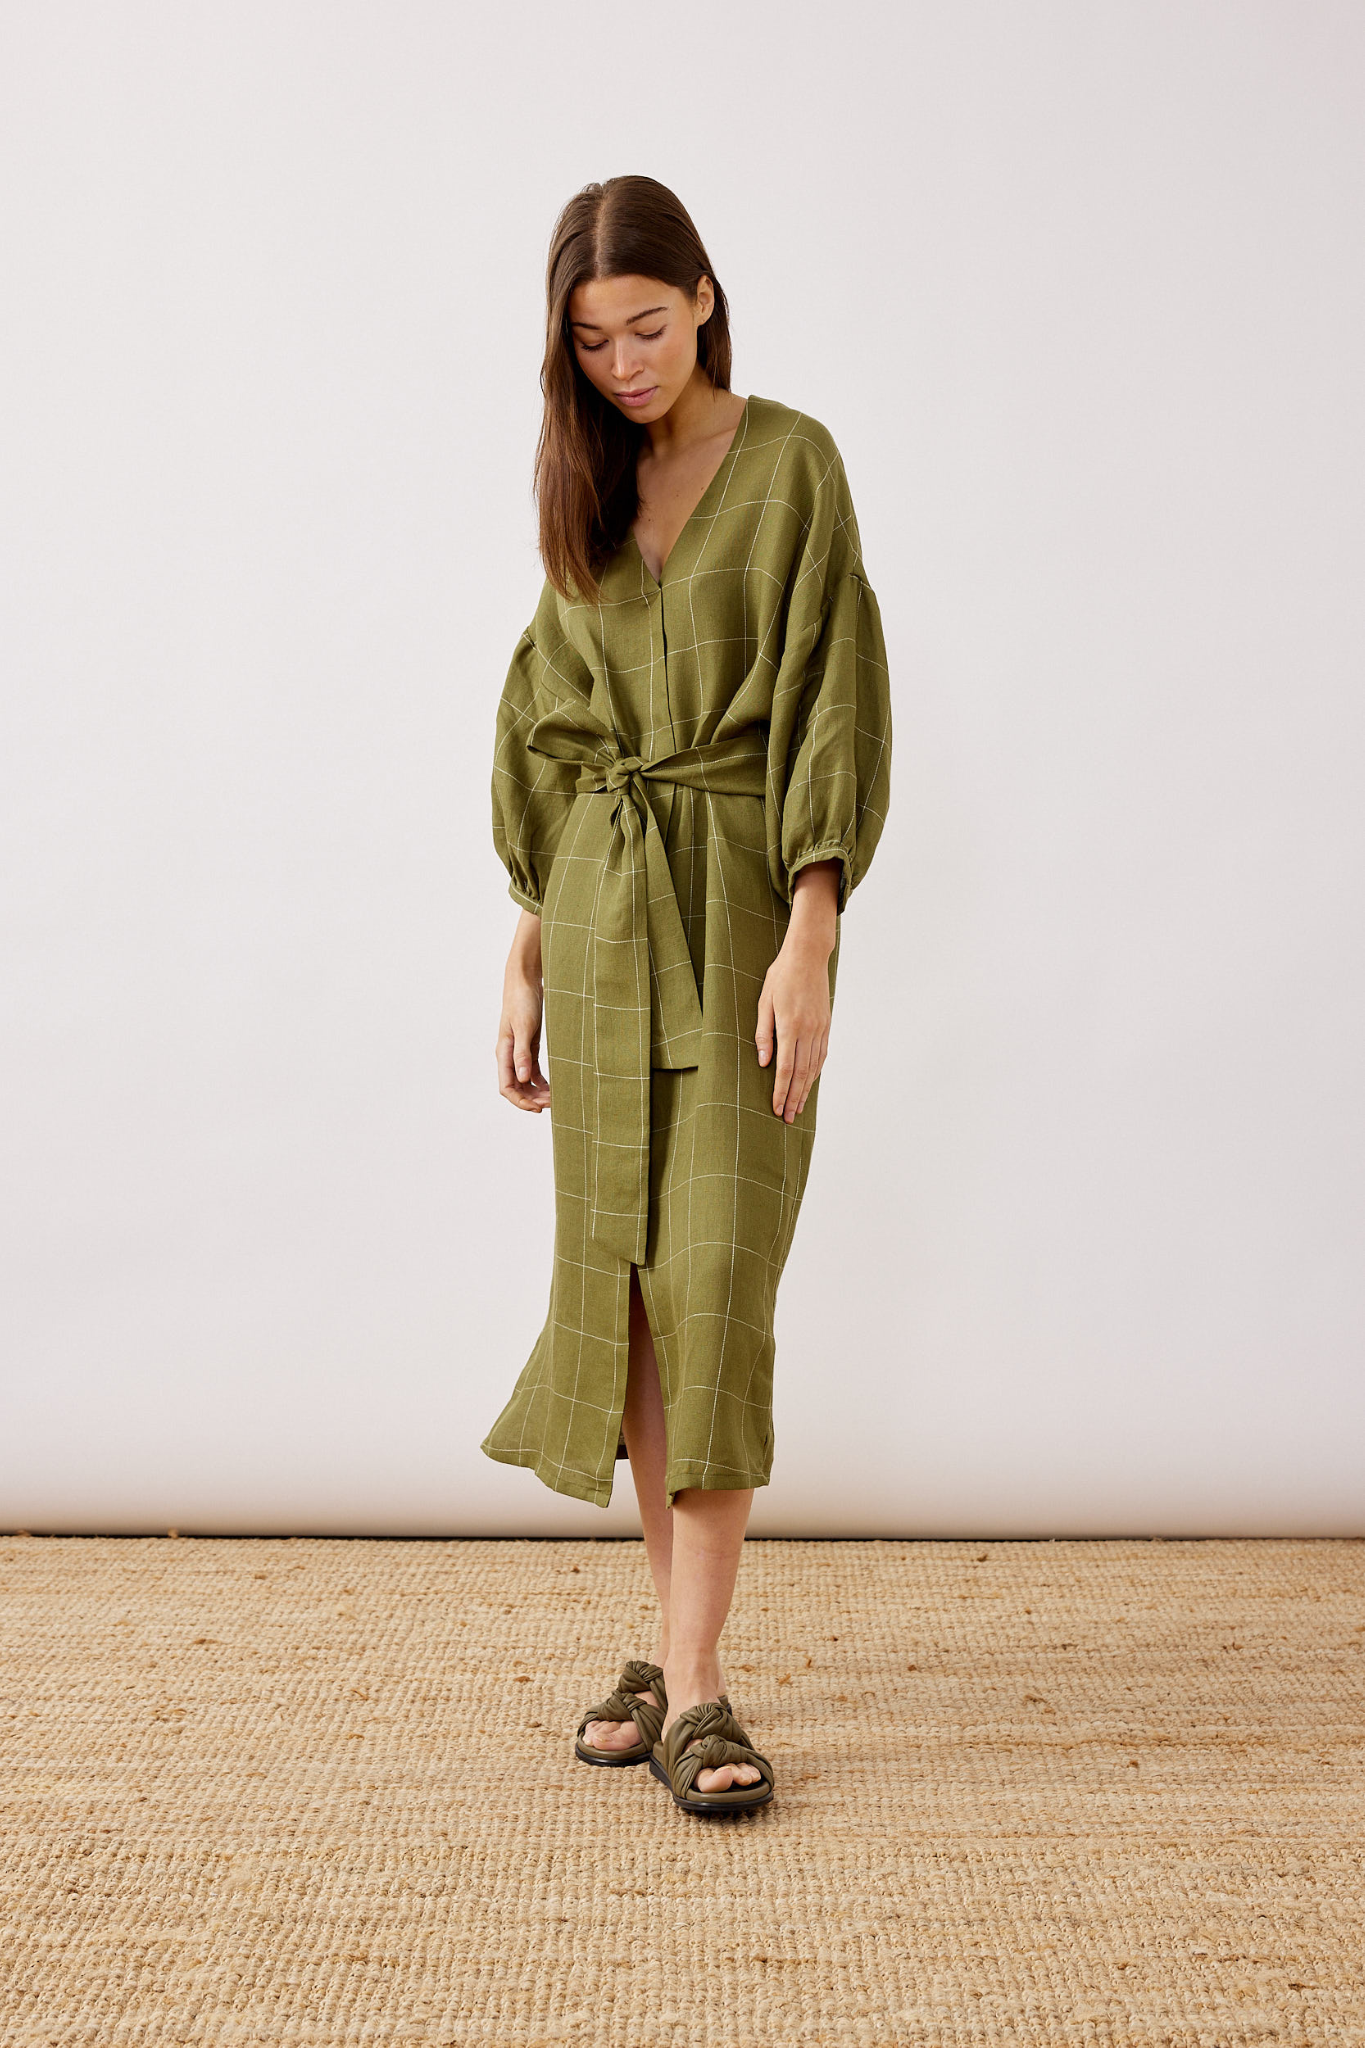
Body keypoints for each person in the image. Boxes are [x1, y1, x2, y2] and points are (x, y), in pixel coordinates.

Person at [483, 175, 892, 1817]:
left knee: (717, 1280)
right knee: (639, 1299)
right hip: (597, 916)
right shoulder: (586, 483)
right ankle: (680, 1660)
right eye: (592, 342)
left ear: (705, 298)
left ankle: (696, 1682)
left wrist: (815, 928)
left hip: (738, 907)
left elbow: (834, 693)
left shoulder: (793, 466)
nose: (625, 364)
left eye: (646, 326)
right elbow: (545, 718)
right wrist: (523, 943)